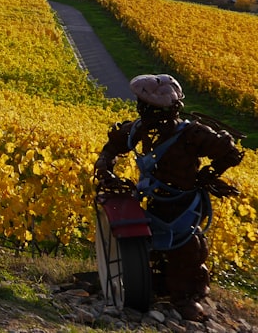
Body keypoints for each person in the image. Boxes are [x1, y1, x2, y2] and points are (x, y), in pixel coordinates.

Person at [94, 73, 244, 321]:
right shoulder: (138, 130)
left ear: (173, 108)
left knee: (189, 250)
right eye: (144, 106)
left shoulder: (192, 135)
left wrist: (208, 175)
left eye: (152, 108)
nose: (145, 112)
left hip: (184, 205)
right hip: (153, 201)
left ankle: (184, 298)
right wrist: (105, 169)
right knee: (148, 244)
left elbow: (229, 152)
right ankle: (151, 284)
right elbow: (111, 148)